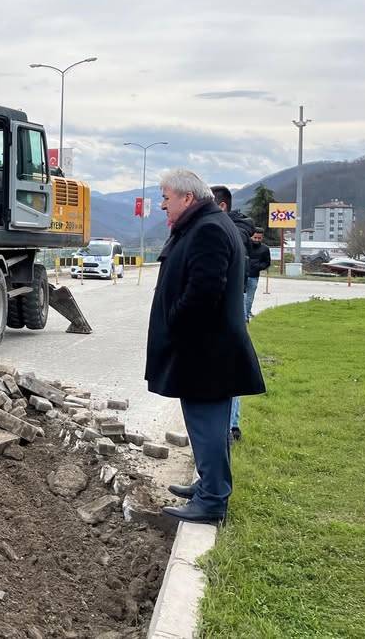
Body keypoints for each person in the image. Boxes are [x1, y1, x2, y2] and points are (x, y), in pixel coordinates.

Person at [146, 169, 266, 523]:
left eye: (166, 198)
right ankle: (208, 486)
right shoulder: (207, 223)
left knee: (208, 424)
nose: (162, 205)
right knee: (206, 423)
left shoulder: (209, 229)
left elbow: (204, 292)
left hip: (205, 350)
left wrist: (175, 322)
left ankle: (212, 501)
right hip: (206, 348)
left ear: (187, 198)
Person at [210, 184, 255, 441]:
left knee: (230, 360)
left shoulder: (234, 228)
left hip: (232, 301)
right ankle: (221, 424)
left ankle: (231, 426)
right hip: (220, 301)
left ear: (222, 206)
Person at [245, 228, 271, 321]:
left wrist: (258, 266)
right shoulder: (245, 246)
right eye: (255, 237)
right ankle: (243, 315)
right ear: (251, 236)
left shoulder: (265, 249)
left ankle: (246, 315)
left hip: (254, 276)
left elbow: (267, 262)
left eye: (259, 238)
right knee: (242, 296)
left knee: (249, 297)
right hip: (243, 275)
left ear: (262, 238)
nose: (256, 240)